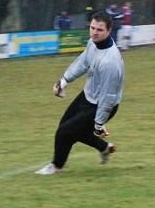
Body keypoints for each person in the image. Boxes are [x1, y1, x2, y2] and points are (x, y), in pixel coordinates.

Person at [36, 11, 125, 175]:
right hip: (87, 96)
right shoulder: (93, 43)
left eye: (99, 30)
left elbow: (109, 98)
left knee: (65, 132)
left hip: (102, 105)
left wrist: (99, 124)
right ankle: (104, 148)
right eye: (92, 28)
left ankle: (56, 166)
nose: (94, 33)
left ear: (109, 30)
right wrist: (63, 82)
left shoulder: (110, 62)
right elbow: (82, 63)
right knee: (68, 127)